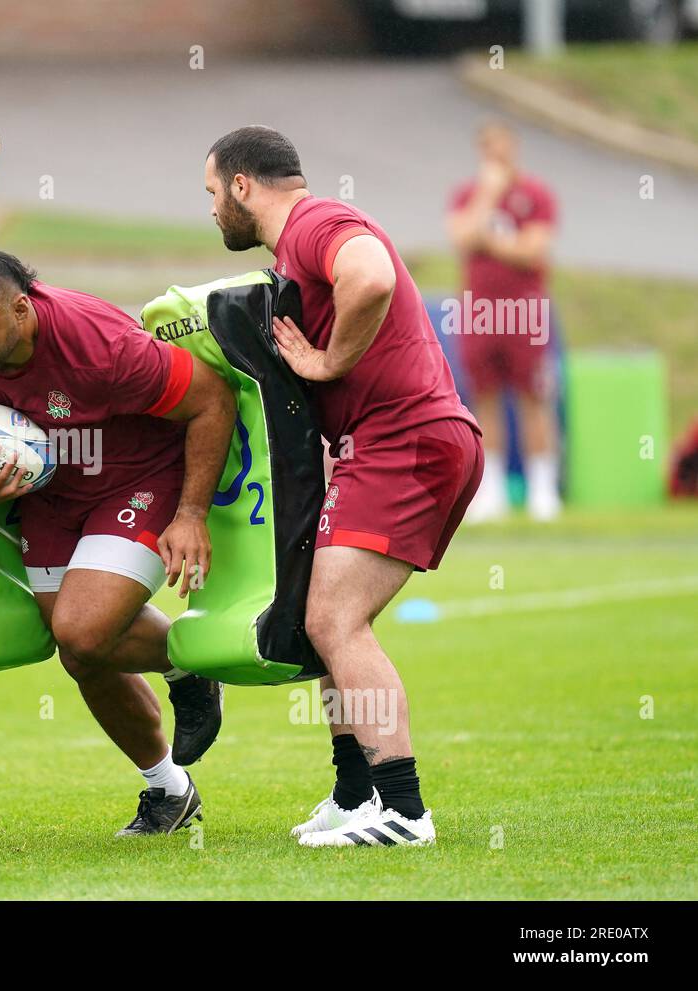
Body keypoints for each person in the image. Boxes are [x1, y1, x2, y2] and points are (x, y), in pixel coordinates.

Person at [204, 126, 483, 846]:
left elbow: (374, 277)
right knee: (325, 620)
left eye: (210, 193)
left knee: (333, 620)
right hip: (388, 443)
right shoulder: (297, 244)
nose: (210, 211)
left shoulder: (314, 222)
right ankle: (357, 794)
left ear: (242, 185)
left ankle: (405, 811)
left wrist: (331, 361)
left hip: (407, 441)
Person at [0, 248, 235, 836]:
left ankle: (204, 657)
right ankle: (169, 788)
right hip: (51, 498)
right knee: (82, 654)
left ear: (22, 308)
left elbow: (212, 399)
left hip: (139, 480)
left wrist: (190, 513)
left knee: (81, 631)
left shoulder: (101, 346)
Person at [448, 120, 560, 522]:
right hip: (480, 311)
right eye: (487, 149)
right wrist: (488, 196)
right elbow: (461, 238)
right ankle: (489, 489)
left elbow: (534, 250)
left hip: (524, 309)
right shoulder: (468, 195)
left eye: (501, 147)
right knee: (485, 397)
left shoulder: (536, 195)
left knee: (533, 396)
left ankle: (543, 489)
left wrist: (490, 242)